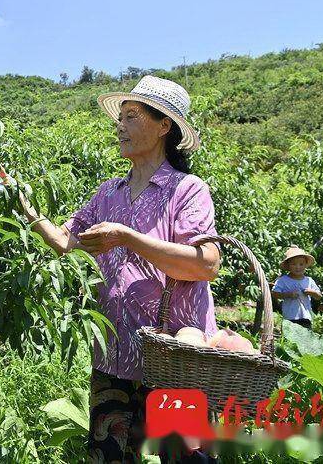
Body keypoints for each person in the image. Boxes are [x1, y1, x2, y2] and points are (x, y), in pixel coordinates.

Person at [19, 76, 221, 463]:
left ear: (164, 126)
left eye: (132, 116)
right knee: (108, 455)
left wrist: (129, 237)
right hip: (115, 353)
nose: (120, 125)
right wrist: (26, 208)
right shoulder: (108, 192)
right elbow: (67, 241)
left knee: (184, 456)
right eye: (121, 117)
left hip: (175, 353)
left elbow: (206, 264)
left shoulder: (187, 190)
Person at [272, 246, 322, 329]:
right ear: (288, 266)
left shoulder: (309, 281)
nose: (297, 267)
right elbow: (275, 294)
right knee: (289, 340)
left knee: (305, 340)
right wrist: (288, 294)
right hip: (289, 317)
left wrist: (311, 292)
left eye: (301, 264)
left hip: (305, 317)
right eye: (293, 264)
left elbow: (319, 296)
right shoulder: (283, 280)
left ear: (306, 265)